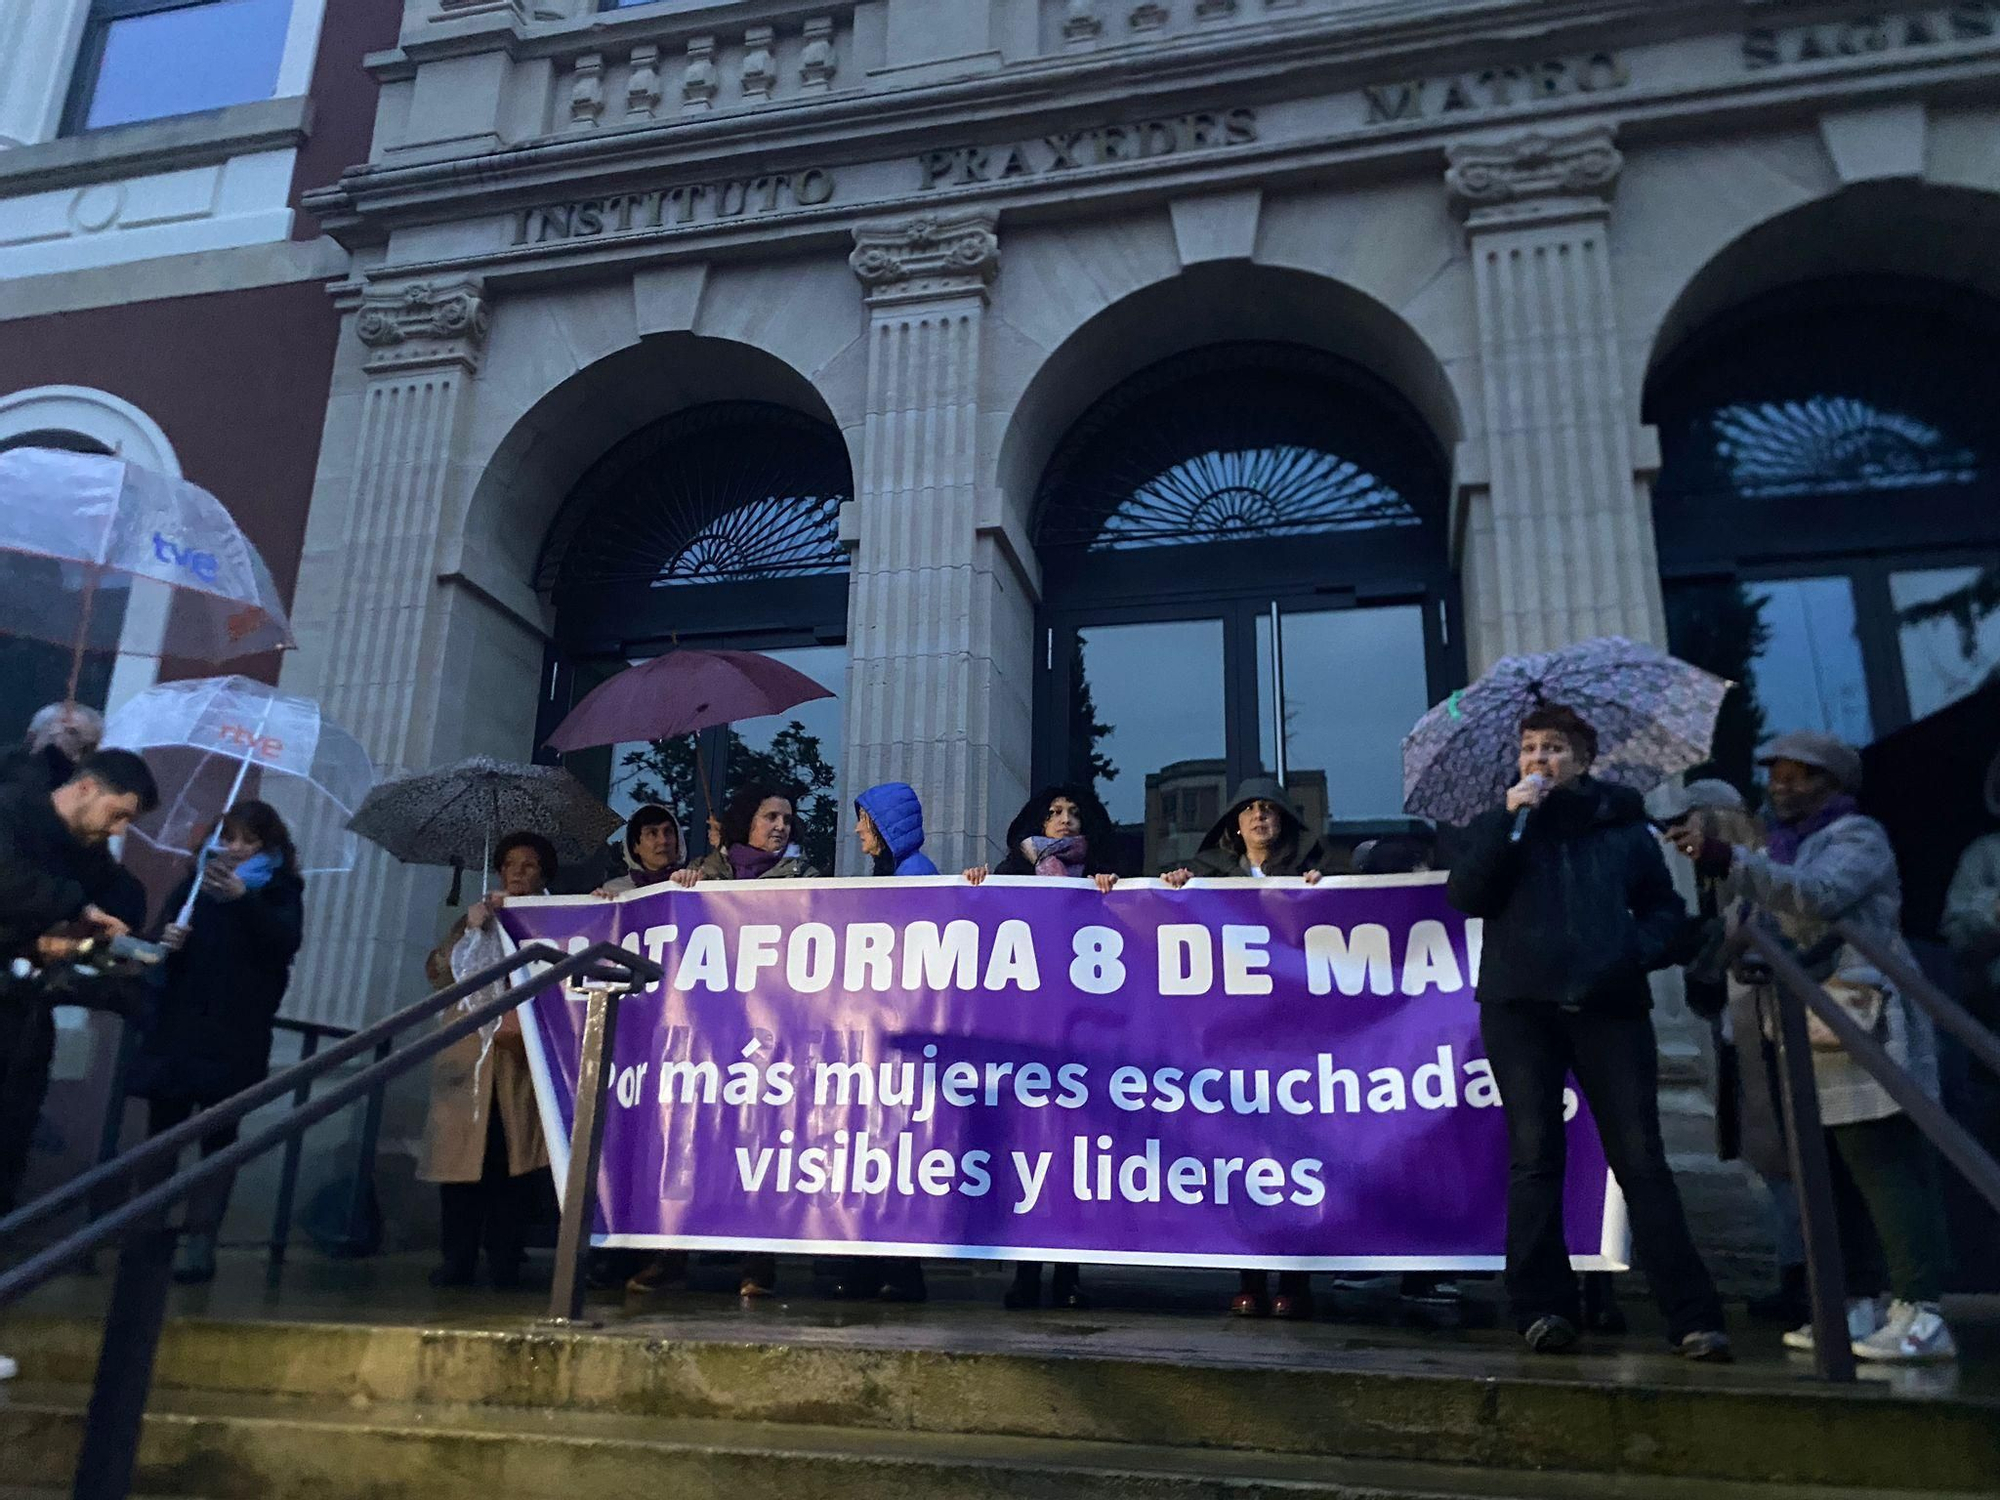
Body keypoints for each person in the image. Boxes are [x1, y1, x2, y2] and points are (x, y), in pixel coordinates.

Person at [1449, 704, 1730, 1361]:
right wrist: (1509, 819)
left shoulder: (1622, 825)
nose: (1538, 758)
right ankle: (1541, 1308)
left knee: (1639, 1158)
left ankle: (1692, 1315)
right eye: (1528, 747)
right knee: (1535, 1155)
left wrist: (1629, 948)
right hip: (1521, 1010)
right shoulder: (1506, 824)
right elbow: (1466, 895)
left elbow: (1665, 909)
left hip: (1610, 1008)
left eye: (1552, 748)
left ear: (1581, 759)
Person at [1674, 731, 1955, 1363]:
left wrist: (1732, 861)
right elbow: (1772, 920)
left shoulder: (1856, 837)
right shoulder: (1781, 847)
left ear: (1834, 785)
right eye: (1775, 774)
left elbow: (1819, 897)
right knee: (1833, 1175)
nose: (1782, 786)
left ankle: (1921, 1309)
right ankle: (1855, 1303)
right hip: (1809, 1028)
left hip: (1866, 1020)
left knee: (1883, 1165)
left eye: (1801, 777)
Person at [1162, 777, 1326, 1319]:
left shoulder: (1314, 875)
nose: (1260, 818)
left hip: (1296, 1042)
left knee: (1299, 1160)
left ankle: (1295, 1282)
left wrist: (1323, 894)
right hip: (1236, 1045)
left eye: (1270, 810)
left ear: (1283, 822)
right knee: (1247, 1159)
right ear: (1234, 823)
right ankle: (1250, 1277)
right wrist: (1175, 889)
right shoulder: (1209, 880)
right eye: (1250, 810)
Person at [127, 801, 305, 1283]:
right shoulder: (193, 886)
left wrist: (246, 900)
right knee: (162, 1134)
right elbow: (158, 951)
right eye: (228, 838)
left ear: (268, 846)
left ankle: (200, 1242)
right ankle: (145, 1233)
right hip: (180, 1027)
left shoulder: (280, 889)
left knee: (218, 1137)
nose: (235, 848)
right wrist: (167, 940)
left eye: (248, 840)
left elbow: (284, 943)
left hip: (236, 1030)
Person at [1659, 778, 1808, 1327]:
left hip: (1775, 1033)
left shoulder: (1765, 870)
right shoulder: (1707, 887)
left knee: (1789, 1156)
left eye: (1701, 820)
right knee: (1766, 1157)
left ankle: (1810, 1275)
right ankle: (1795, 1269)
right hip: (1736, 1035)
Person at [966, 784, 1118, 1311]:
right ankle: (1026, 1272)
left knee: (1074, 1155)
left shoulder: (1102, 878)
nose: (1065, 821)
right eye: (1055, 813)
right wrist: (973, 887)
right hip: (1025, 1037)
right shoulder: (1010, 874)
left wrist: (1114, 896)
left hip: (1082, 1038)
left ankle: (1068, 1274)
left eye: (1074, 813)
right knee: (1028, 1154)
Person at [674, 784, 818, 1296]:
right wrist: (683, 885)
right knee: (694, 1140)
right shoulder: (705, 872)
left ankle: (758, 1264)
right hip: (708, 1037)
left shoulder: (805, 879)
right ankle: (667, 1257)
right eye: (771, 816)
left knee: (766, 1143)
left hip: (774, 1036)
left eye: (788, 818)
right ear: (746, 821)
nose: (781, 826)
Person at [0, 749, 156, 1214]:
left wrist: (124, 935)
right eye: (118, 814)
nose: (119, 830)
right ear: (86, 788)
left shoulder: (85, 851)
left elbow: (119, 894)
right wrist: (75, 912)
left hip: (23, 1013)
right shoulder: (11, 812)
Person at [420, 831, 557, 1290]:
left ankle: (504, 1258)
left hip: (517, 1061)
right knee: (460, 1166)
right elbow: (440, 974)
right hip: (469, 1060)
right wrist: (473, 927)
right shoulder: (474, 918)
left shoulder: (549, 921)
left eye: (530, 864)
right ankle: (455, 1258)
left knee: (509, 1164)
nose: (518, 871)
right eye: (510, 863)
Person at [829, 783, 941, 1304]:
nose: (856, 831)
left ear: (884, 826)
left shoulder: (914, 875)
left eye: (864, 821)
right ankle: (873, 1266)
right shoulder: (894, 873)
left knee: (889, 1155)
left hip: (900, 1040)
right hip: (886, 1038)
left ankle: (894, 1268)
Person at [1, 702, 104, 793]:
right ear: (33, 735)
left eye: (87, 750)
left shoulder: (86, 791)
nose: (77, 757)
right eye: (73, 737)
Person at [595, 803, 684, 896]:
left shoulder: (694, 883)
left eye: (668, 831)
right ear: (634, 846)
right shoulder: (616, 890)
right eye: (652, 833)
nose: (663, 840)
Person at [855, 781, 940, 877]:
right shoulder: (898, 868)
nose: (857, 829)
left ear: (885, 824)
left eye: (864, 819)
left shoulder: (915, 872)